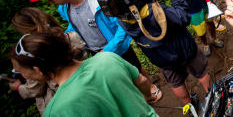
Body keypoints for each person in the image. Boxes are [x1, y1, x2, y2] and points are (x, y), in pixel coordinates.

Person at [29, 0, 161, 100]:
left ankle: (150, 88)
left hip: (116, 46)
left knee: (135, 69)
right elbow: (75, 24)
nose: (49, 2)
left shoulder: (97, 1)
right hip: (95, 50)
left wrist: (109, 49)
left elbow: (122, 26)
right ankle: (137, 96)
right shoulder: (64, 8)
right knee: (119, 75)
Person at [104, 0, 210, 107]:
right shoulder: (152, 10)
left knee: (176, 82)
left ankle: (190, 108)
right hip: (183, 48)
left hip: (161, 57)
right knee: (201, 72)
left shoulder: (123, 18)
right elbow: (182, 18)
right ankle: (212, 97)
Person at [10, 33, 157, 117]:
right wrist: (148, 97)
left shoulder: (55, 111)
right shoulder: (107, 58)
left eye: (22, 71)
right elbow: (143, 81)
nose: (23, 76)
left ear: (37, 70)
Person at [9, 8, 86, 115]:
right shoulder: (70, 37)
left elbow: (35, 89)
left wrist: (18, 87)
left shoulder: (35, 54)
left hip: (59, 101)